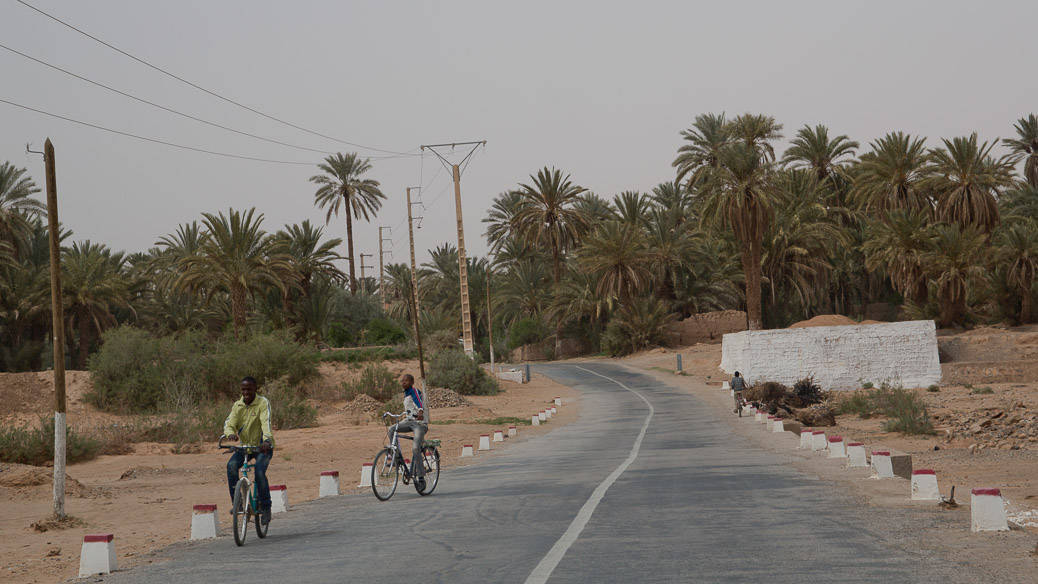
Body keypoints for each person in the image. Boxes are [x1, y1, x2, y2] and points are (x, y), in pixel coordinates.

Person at [223, 376, 274, 525]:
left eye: (249, 389)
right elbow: (229, 422)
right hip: (245, 446)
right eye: (243, 389)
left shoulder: (262, 403)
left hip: (262, 447)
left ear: (255, 389)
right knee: (231, 466)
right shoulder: (238, 406)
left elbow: (266, 422)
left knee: (259, 472)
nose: (246, 392)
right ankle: (237, 502)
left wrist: (267, 440)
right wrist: (230, 433)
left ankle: (265, 507)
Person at [388, 374, 428, 491]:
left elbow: (419, 402)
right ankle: (397, 455)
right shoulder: (406, 394)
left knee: (416, 449)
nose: (403, 383)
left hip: (420, 424)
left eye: (406, 381)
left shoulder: (414, 391)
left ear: (411, 382)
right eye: (402, 381)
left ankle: (421, 477)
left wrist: (421, 411)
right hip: (409, 421)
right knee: (391, 429)